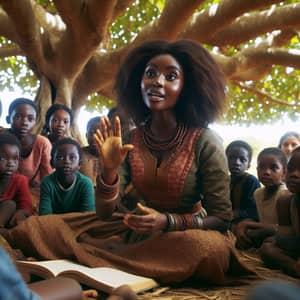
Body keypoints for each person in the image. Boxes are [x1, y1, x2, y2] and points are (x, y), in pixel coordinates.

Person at [7, 40, 253, 286]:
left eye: (171, 76)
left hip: (184, 234)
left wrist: (167, 221)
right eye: (150, 74)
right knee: (41, 227)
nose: (157, 81)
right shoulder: (129, 139)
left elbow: (221, 218)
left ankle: (99, 259)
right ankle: (125, 262)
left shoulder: (206, 141)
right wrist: (109, 172)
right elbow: (105, 213)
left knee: (208, 250)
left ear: (187, 87)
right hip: (134, 230)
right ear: (138, 83)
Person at [234, 147, 288, 249]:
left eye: (274, 168)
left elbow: (282, 229)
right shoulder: (258, 193)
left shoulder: (284, 195)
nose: (266, 172)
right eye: (262, 167)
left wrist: (246, 224)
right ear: (257, 169)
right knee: (241, 238)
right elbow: (262, 221)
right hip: (266, 233)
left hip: (282, 236)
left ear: (284, 173)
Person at [6, 98, 53, 213]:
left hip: (30, 193)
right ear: (8, 119)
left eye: (30, 119)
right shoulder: (2, 140)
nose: (24, 122)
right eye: (18, 117)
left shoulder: (42, 143)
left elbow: (48, 179)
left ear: (35, 122)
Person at [260, 146, 300, 277]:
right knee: (267, 248)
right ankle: (295, 268)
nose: (294, 174)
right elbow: (286, 240)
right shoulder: (286, 202)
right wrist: (277, 240)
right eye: (291, 168)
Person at [39, 138, 95, 215]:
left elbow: (88, 217)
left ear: (80, 164)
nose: (67, 161)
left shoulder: (86, 184)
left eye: (72, 157)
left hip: (79, 225)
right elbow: (44, 216)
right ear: (52, 163)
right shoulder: (47, 183)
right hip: (52, 224)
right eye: (60, 157)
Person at [0, 133, 32, 230]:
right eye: (4, 158)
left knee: (10, 205)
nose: (10, 163)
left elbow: (26, 205)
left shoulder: (20, 180)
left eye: (15, 159)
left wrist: (20, 213)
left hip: (3, 214)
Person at [226, 140, 260, 227]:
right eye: (232, 158)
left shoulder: (251, 181)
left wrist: (236, 214)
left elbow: (254, 210)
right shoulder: (223, 181)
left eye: (242, 159)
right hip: (226, 220)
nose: (237, 162)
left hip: (245, 223)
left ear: (248, 165)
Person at [80, 116, 102, 187]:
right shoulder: (78, 153)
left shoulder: (112, 157)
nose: (95, 137)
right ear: (86, 135)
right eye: (92, 133)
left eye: (100, 133)